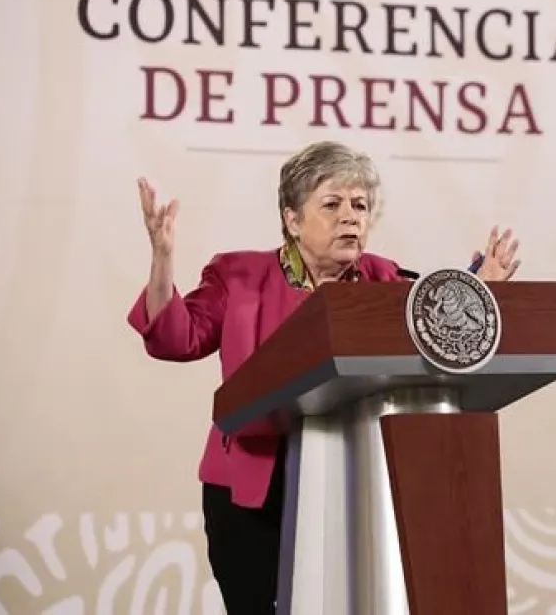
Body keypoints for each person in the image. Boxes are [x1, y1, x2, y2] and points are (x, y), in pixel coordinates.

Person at [126, 140, 522, 614]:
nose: (351, 217)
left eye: (360, 205)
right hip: (254, 493)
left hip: (354, 478)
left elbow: (432, 327)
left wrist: (479, 292)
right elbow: (176, 338)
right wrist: (163, 259)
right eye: (332, 204)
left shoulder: (384, 278)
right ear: (292, 220)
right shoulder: (239, 275)